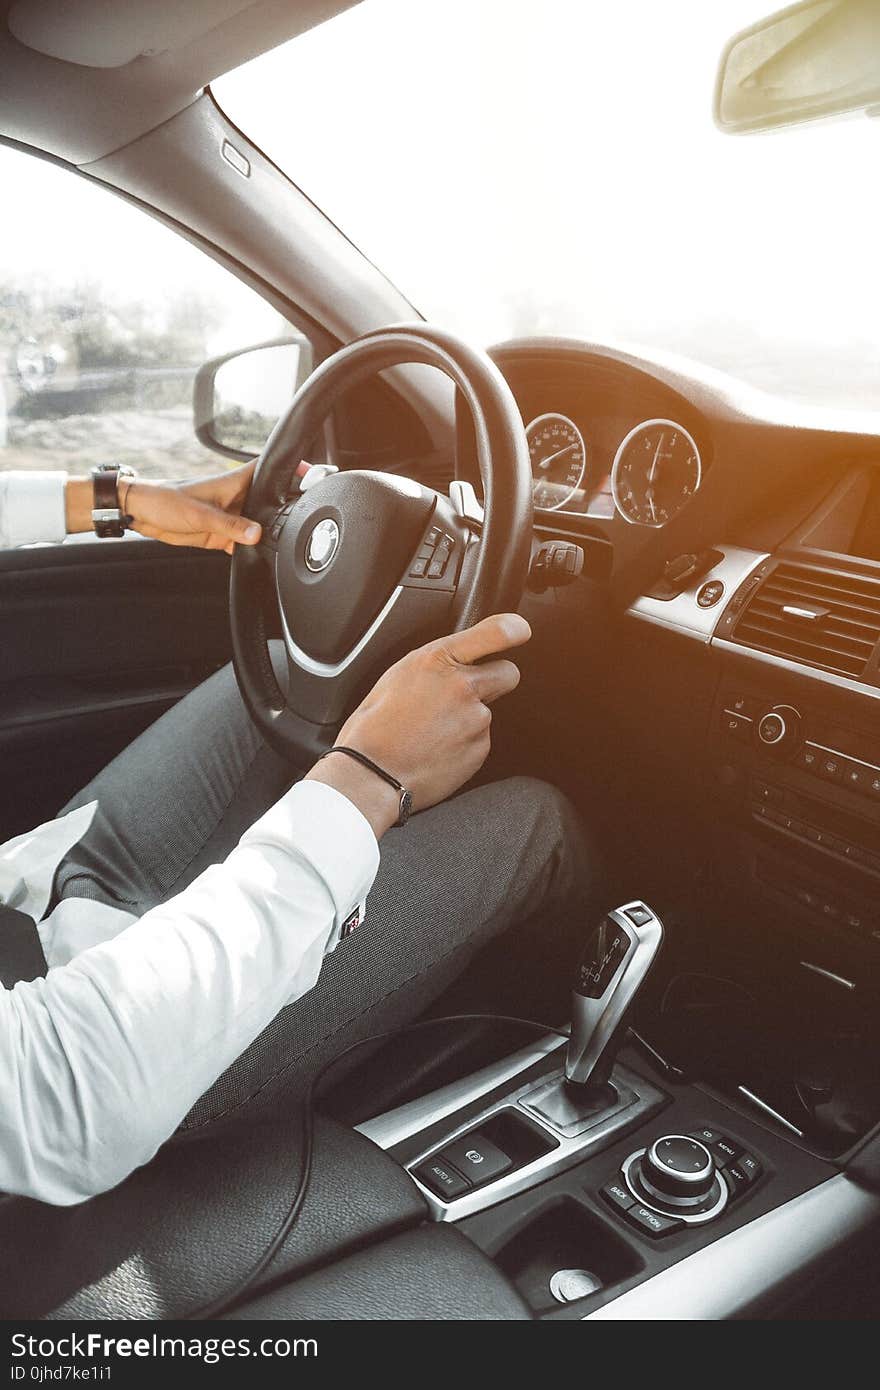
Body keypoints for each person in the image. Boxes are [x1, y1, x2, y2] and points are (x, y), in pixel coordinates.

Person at [0, 463, 595, 1206]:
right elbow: (59, 1099)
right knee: (537, 825)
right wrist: (367, 777)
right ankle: (583, 1043)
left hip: (27, 898)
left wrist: (109, 500)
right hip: (102, 1064)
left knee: (286, 677)